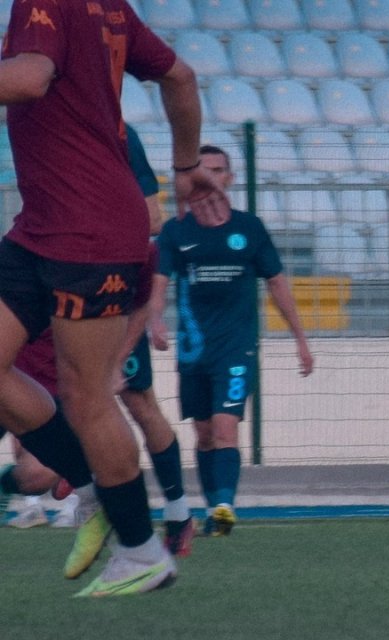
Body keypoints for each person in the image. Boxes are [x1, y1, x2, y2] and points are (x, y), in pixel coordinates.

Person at [0, 0, 226, 596]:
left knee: (86, 394)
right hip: (41, 226)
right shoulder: (107, 6)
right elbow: (180, 76)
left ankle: (142, 551)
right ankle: (96, 488)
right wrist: (184, 165)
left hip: (88, 233)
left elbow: (27, 79)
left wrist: (181, 170)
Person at [150, 144, 314, 538]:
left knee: (226, 426)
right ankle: (213, 509)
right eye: (203, 169)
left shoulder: (249, 228)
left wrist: (300, 339)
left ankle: (225, 505)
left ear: (230, 178)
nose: (212, 176)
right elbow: (159, 282)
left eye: (219, 169)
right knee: (204, 434)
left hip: (236, 348)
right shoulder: (176, 230)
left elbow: (276, 282)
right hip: (194, 350)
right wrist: (154, 318)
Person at [111, 123, 196, 556]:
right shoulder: (42, 124)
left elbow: (153, 218)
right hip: (60, 276)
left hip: (110, 288)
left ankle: (178, 514)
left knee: (138, 403)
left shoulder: (121, 134)